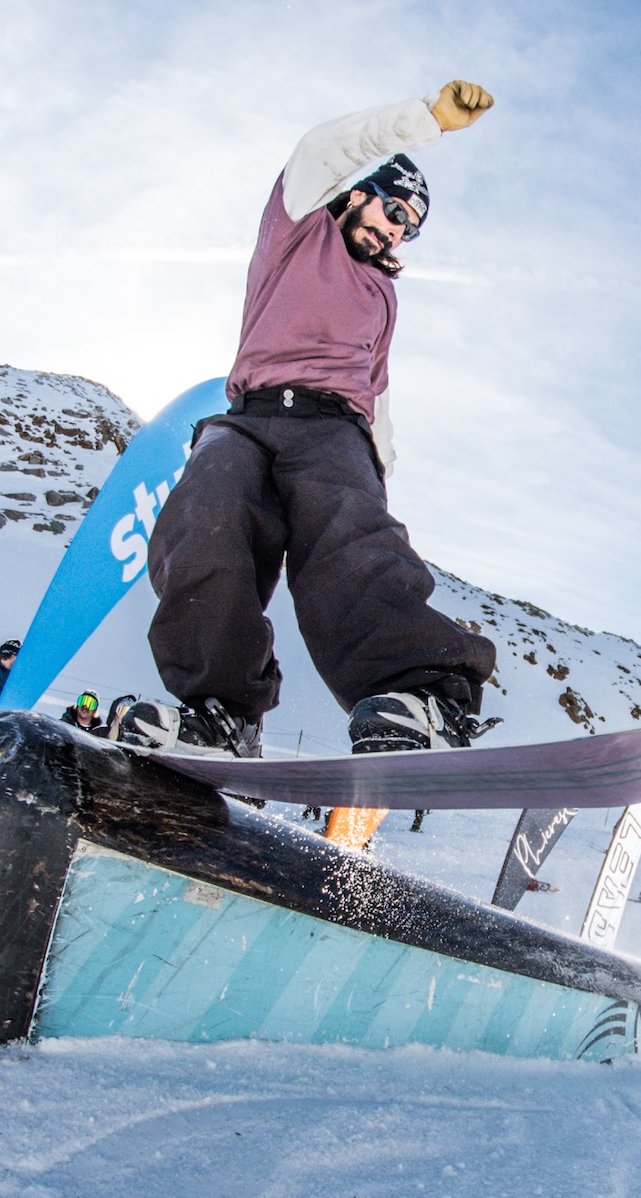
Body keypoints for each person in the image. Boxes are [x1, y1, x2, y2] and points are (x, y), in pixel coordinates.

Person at [116, 81, 500, 758]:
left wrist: (375, 479)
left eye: (407, 228)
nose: (394, 230)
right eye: (391, 210)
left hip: (334, 430)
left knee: (347, 540)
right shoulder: (296, 230)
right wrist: (426, 122)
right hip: (247, 417)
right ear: (357, 195)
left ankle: (423, 694)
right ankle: (221, 711)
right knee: (204, 524)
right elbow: (323, 148)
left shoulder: (382, 295)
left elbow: (376, 391)